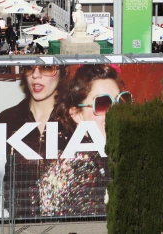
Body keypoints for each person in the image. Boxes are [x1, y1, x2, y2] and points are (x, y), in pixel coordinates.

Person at [41, 64, 131, 217]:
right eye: (103, 103)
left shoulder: (122, 156)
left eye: (122, 100)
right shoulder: (79, 167)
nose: (115, 112)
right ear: (77, 114)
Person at [0, 64, 68, 218]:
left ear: (62, 71)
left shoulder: (73, 120)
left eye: (47, 67)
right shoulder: (7, 120)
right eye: (29, 67)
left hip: (65, 224)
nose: (35, 75)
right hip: (18, 225)